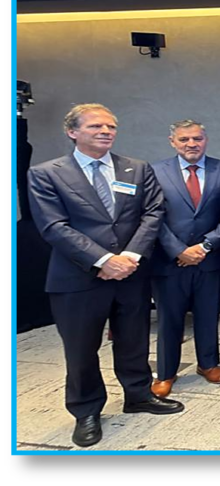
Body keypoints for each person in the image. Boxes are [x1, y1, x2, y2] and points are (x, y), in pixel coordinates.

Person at [27, 103, 181, 448]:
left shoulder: (136, 168)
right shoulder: (46, 173)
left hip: (131, 273)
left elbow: (153, 213)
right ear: (72, 132)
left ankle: (138, 395)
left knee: (134, 339)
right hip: (77, 277)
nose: (106, 131)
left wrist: (129, 257)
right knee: (81, 348)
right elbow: (53, 226)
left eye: (111, 126)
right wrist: (103, 260)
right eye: (96, 126)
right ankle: (86, 410)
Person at [150, 120, 220, 397]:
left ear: (205, 140)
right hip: (168, 259)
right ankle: (166, 372)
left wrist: (206, 246)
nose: (191, 144)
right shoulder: (154, 172)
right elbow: (151, 216)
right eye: (184, 139)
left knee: (208, 314)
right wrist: (179, 250)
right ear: (172, 141)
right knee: (169, 318)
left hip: (212, 258)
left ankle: (208, 364)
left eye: (197, 138)